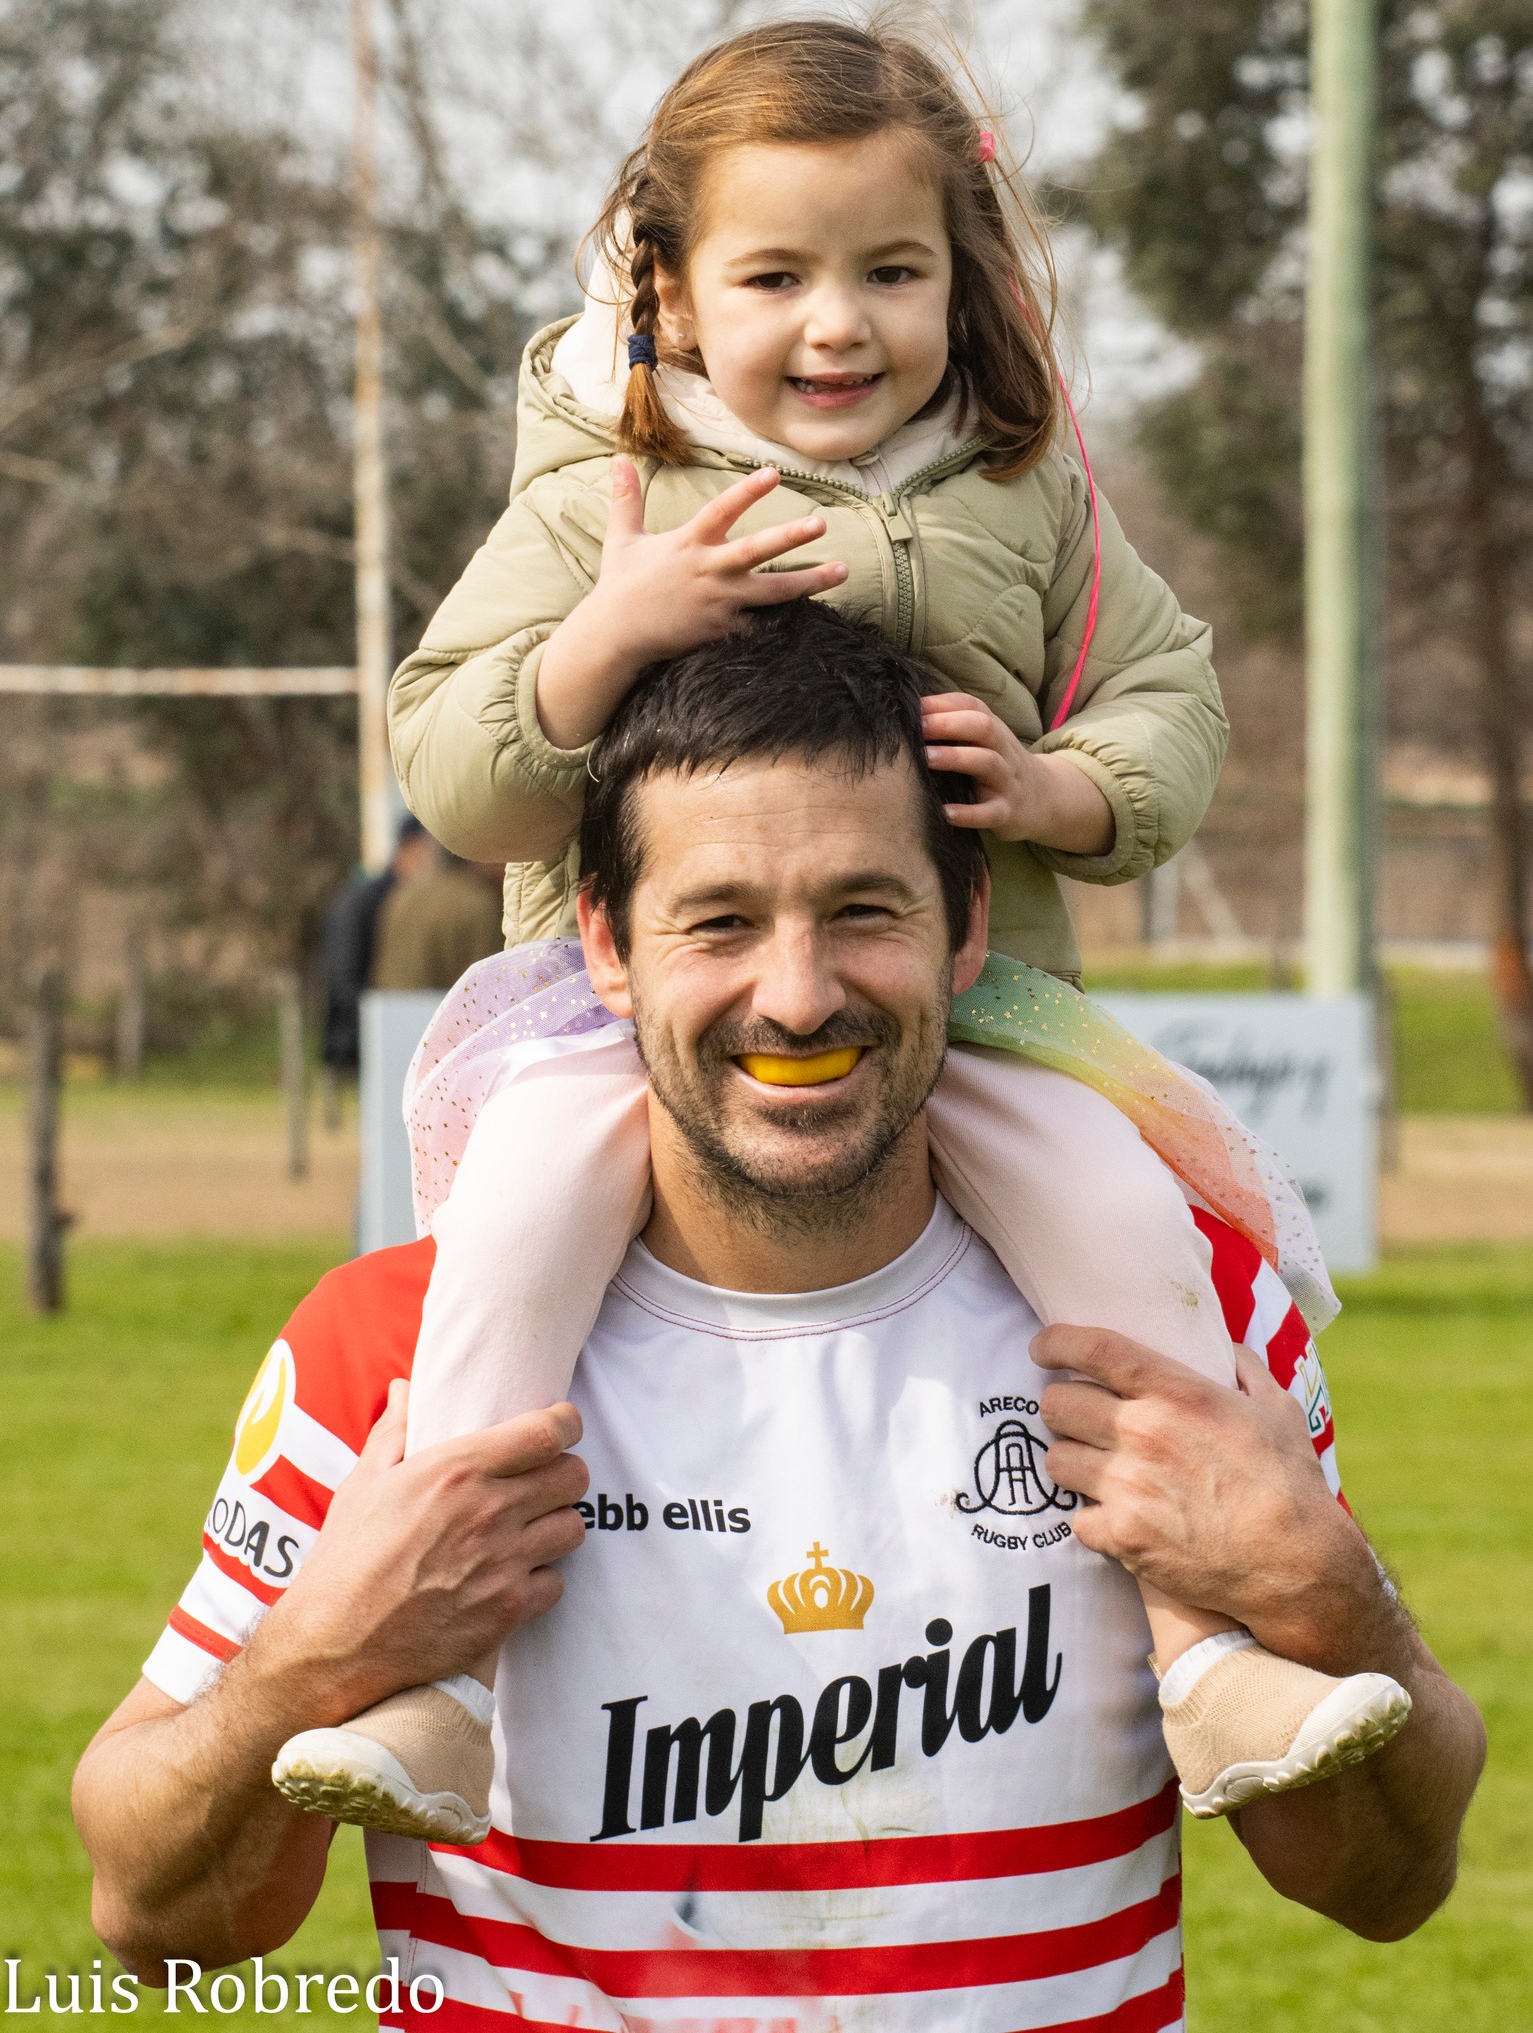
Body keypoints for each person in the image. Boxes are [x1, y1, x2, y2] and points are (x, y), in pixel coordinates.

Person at [301, 17, 1391, 1839]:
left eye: (890, 271)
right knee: (503, 1241)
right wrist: (607, 629)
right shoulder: (600, 496)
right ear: (662, 289)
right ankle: (438, 1686)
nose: (838, 325)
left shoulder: (1023, 488)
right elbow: (450, 762)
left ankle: (1210, 1658)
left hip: (977, 1016)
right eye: (775, 274)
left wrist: (1062, 789)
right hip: (619, 1032)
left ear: (957, 278)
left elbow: (1169, 697)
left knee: (1128, 1217)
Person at [73, 631, 1483, 2030]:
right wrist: (317, 1663)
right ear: (607, 943)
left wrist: (1331, 1597)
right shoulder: (397, 1353)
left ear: (967, 927)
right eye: (721, 921)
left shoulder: (1186, 1324)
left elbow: (1380, 1882)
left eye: (864, 910)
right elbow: (150, 1915)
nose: (796, 996)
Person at [317, 816, 434, 1078]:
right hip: (362, 1038)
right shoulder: (366, 903)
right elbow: (344, 977)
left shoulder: (385, 898)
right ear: (413, 847)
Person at [369, 852, 505, 993]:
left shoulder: (402, 893)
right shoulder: (479, 903)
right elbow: (484, 984)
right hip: (447, 1009)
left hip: (391, 1006)